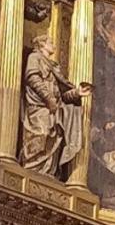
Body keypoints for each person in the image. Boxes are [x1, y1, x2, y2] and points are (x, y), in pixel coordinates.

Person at [19, 34, 89, 180]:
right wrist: (48, 98)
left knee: (54, 139)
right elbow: (33, 78)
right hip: (39, 107)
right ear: (42, 44)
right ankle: (33, 170)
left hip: (54, 110)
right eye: (51, 42)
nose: (54, 45)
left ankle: (47, 173)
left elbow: (62, 95)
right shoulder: (35, 58)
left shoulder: (53, 66)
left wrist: (77, 93)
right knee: (41, 135)